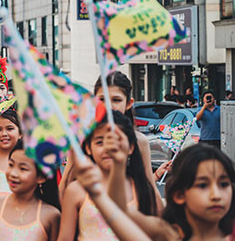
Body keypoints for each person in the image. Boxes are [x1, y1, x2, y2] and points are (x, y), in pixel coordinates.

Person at [73, 143, 235, 241]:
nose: (216, 195)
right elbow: (121, 213)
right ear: (179, 195)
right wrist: (117, 167)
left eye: (224, 184)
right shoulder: (167, 234)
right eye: (203, 185)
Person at [52, 111, 157, 241]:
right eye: (100, 142)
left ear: (131, 147)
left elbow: (157, 236)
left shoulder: (141, 188)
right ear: (88, 147)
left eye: (115, 141)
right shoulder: (76, 190)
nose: (108, 148)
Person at [60, 71, 162, 211]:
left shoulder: (139, 141)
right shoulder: (82, 138)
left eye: (116, 100)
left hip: (128, 211)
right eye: (102, 99)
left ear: (128, 103)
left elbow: (149, 186)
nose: (109, 106)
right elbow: (66, 182)